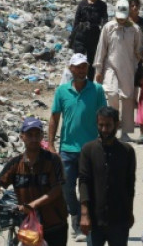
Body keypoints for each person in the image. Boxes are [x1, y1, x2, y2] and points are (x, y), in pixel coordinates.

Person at [0, 118, 68, 246]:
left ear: (41, 136)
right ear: (22, 136)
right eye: (29, 135)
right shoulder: (15, 164)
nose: (33, 139)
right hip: (30, 230)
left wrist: (33, 205)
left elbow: (57, 189)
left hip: (54, 224)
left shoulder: (53, 161)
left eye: (37, 134)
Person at [48, 53, 108, 241]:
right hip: (67, 149)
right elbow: (55, 117)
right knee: (66, 187)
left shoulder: (97, 90)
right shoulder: (62, 91)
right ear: (71, 69)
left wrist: (105, 141)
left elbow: (103, 117)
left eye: (84, 66)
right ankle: (75, 216)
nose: (81, 70)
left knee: (88, 187)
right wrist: (50, 144)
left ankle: (85, 223)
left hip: (90, 148)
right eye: (78, 67)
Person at [78, 107, 137, 246]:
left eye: (108, 125)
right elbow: (84, 182)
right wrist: (85, 214)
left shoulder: (127, 151)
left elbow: (130, 185)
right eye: (101, 125)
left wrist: (130, 212)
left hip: (119, 219)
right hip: (94, 219)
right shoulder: (88, 150)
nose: (104, 129)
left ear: (117, 125)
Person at [95, 0, 143, 141]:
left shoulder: (135, 29)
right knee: (112, 93)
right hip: (110, 66)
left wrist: (141, 64)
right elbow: (101, 48)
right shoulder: (108, 27)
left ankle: (125, 132)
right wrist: (99, 69)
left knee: (127, 98)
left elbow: (139, 50)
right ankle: (113, 126)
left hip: (128, 67)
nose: (121, 19)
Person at [69, 0, 109, 80]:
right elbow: (76, 22)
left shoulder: (102, 5)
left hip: (94, 36)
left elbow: (104, 21)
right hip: (80, 36)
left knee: (91, 62)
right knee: (78, 60)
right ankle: (77, 81)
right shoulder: (82, 5)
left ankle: (89, 84)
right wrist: (72, 38)